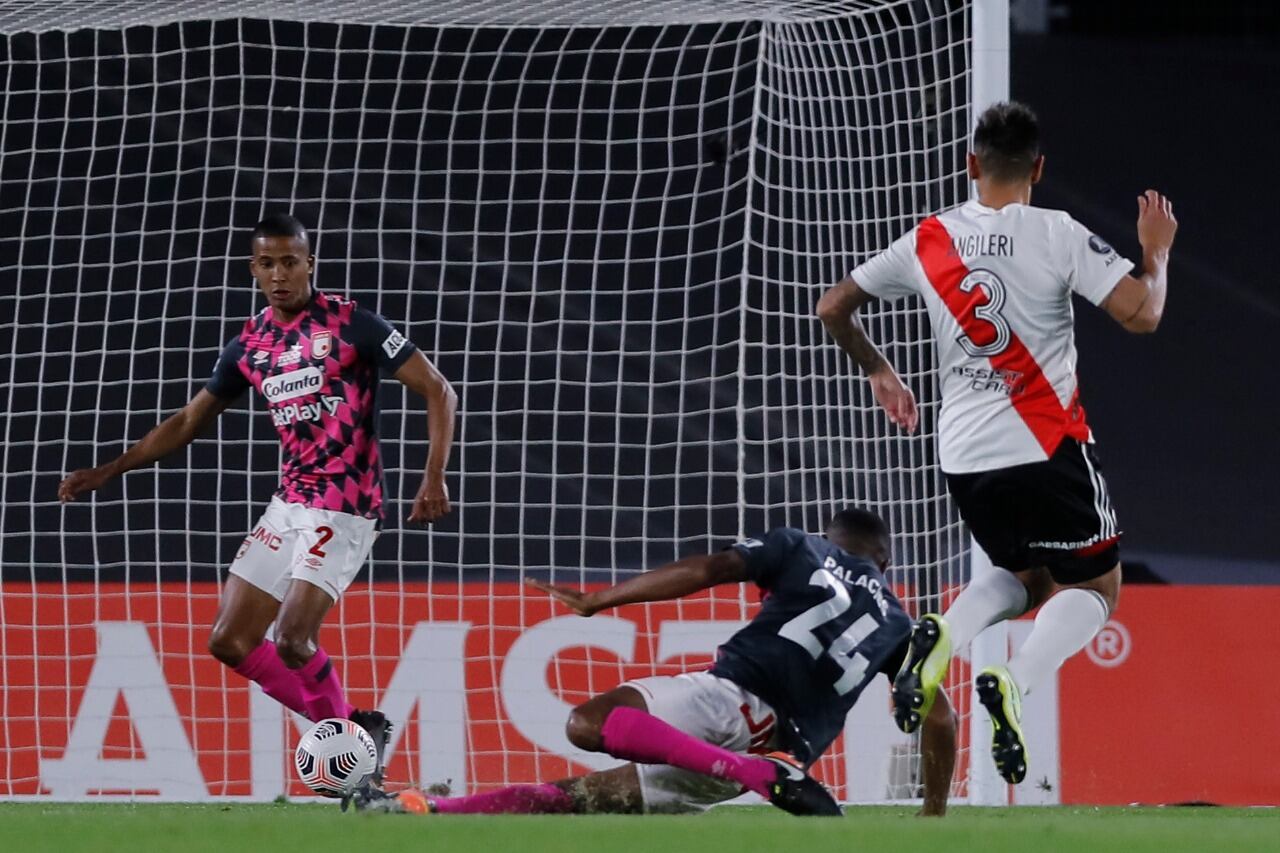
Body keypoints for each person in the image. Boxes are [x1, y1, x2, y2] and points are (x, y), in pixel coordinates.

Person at [816, 101, 1177, 784]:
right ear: (1038, 168)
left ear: (971, 165)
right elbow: (1143, 314)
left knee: (1030, 575)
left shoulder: (928, 238)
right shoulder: (1054, 230)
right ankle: (1014, 679)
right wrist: (1154, 252)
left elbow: (832, 305)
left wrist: (878, 369)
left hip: (963, 456)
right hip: (1045, 441)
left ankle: (943, 637)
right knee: (1098, 583)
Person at [57, 213, 457, 782]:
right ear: (254, 269)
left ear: (309, 262)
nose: (279, 274)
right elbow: (189, 419)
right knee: (230, 640)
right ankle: (350, 729)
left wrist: (432, 475)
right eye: (267, 264)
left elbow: (439, 388)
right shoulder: (251, 343)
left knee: (293, 638)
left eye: (290, 261)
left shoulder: (352, 325)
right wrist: (111, 469)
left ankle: (356, 775)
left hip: (343, 504)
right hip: (289, 502)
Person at [348, 509, 956, 817]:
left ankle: (747, 771)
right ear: (886, 562)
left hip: (731, 696)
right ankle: (431, 812)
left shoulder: (804, 547)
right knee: (585, 799)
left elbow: (713, 569)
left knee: (586, 723)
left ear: (836, 538)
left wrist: (601, 599)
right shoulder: (901, 626)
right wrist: (931, 817)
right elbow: (940, 720)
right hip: (787, 750)